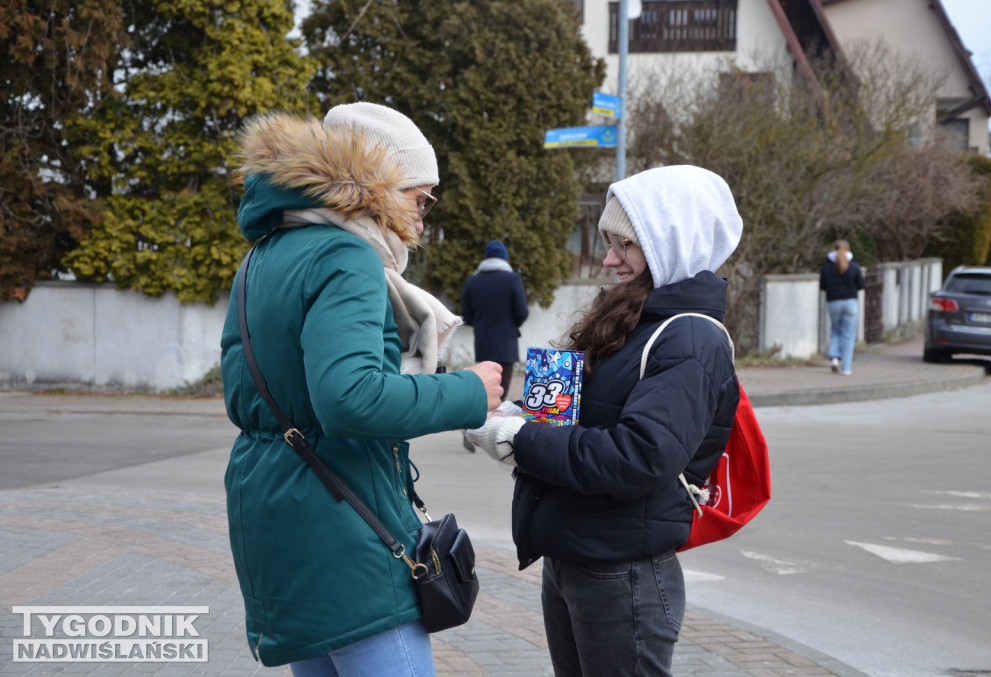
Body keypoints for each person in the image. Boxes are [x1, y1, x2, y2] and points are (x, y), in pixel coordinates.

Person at [219, 102, 503, 676]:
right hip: (345, 533)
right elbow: (350, 398)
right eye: (419, 197)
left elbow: (243, 398)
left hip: (279, 518)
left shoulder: (262, 257)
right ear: (380, 187)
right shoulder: (347, 256)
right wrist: (470, 392)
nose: (422, 218)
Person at [467, 165, 743, 677]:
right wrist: (515, 417)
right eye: (608, 242)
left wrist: (520, 439)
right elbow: (574, 420)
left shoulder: (689, 339)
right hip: (574, 554)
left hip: (623, 572)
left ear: (671, 242)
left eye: (626, 245)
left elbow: (637, 457)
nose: (610, 259)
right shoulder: (626, 320)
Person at [460, 240, 530, 400]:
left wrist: (481, 324)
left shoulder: (472, 282)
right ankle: (495, 421)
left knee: (485, 388)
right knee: (501, 390)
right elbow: (522, 312)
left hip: (483, 343)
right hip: (506, 344)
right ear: (504, 259)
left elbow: (466, 316)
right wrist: (512, 325)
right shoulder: (513, 280)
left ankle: (482, 421)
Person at [819, 239, 865, 375]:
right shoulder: (854, 267)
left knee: (836, 332)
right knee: (848, 336)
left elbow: (823, 286)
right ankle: (846, 368)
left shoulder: (826, 268)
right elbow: (861, 285)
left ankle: (834, 357)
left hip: (833, 303)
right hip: (850, 303)